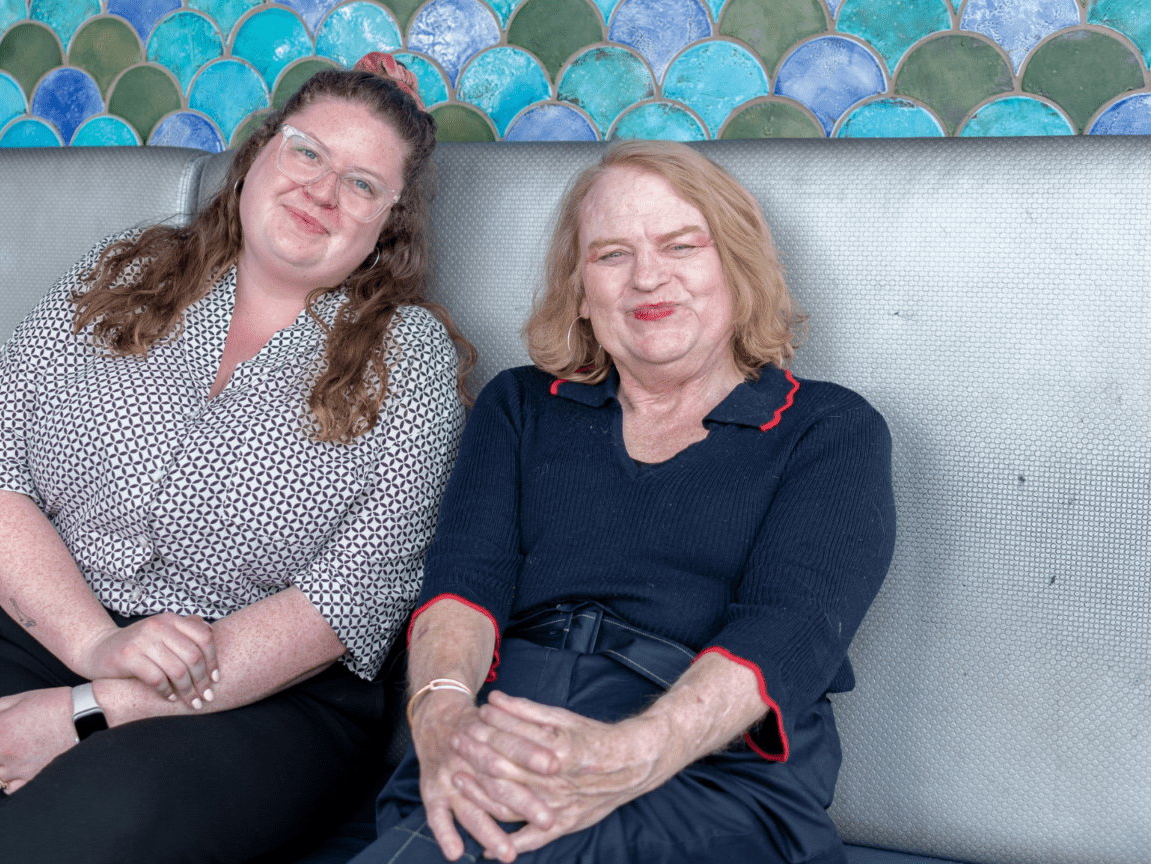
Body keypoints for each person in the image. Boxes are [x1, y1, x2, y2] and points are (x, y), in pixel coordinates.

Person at [0, 54, 473, 864]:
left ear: (389, 223)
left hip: (261, 699)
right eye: (308, 152)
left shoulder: (408, 356)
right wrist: (94, 648)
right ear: (260, 154)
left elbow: (353, 599)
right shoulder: (127, 270)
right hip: (37, 635)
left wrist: (95, 707)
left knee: (73, 834)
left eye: (361, 183)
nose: (322, 190)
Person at [353, 140, 896, 864]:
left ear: (736, 266)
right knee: (468, 830)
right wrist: (443, 718)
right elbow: (462, 586)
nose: (647, 277)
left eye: (681, 245)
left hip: (712, 768)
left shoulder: (827, 429)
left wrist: (631, 751)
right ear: (580, 290)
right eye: (611, 255)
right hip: (506, 739)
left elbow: (791, 628)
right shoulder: (520, 406)